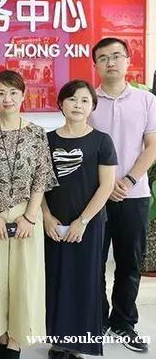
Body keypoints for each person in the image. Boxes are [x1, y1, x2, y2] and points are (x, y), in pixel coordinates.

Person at [0, 70, 57, 359]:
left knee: (25, 278)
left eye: (13, 92)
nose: (7, 98)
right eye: (1, 93)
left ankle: (15, 343)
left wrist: (29, 217)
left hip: (27, 216)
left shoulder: (36, 133)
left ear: (23, 95)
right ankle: (1, 338)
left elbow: (41, 177)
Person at [88, 37, 156, 353]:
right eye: (103, 58)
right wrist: (105, 184)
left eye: (116, 56)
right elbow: (84, 147)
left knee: (129, 263)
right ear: (96, 65)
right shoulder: (88, 100)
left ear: (128, 60)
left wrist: (127, 180)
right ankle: (98, 318)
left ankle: (124, 322)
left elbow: (152, 146)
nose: (110, 62)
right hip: (95, 197)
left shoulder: (147, 101)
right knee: (95, 262)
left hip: (135, 194)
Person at [43, 80, 117, 358]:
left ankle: (79, 345)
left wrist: (82, 221)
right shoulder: (47, 140)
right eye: (72, 99)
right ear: (61, 104)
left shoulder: (101, 141)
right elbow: (38, 186)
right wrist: (46, 217)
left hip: (88, 225)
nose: (78, 105)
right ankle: (57, 342)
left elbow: (106, 186)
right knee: (55, 280)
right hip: (52, 224)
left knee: (85, 282)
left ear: (92, 106)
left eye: (85, 100)